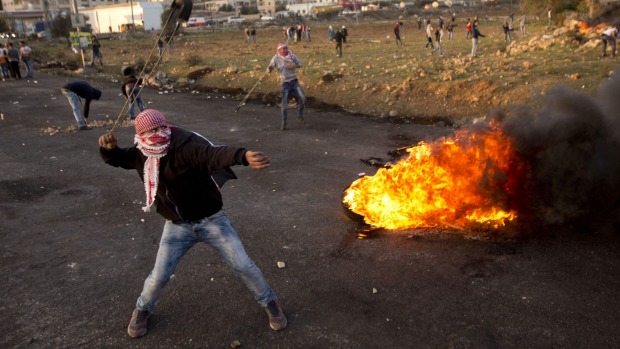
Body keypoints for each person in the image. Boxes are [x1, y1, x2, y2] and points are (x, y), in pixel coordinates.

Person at [97, 109, 287, 338]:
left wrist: (243, 156)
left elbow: (213, 154)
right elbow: (120, 159)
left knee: (243, 265)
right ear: (141, 135)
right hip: (177, 225)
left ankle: (270, 302)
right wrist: (108, 150)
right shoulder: (141, 153)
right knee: (159, 275)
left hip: (212, 220)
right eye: (150, 131)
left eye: (160, 128)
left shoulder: (184, 145)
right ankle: (142, 309)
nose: (157, 134)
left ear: (166, 126)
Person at [267, 43, 306, 131]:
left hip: (294, 81)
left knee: (303, 98)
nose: (285, 50)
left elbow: (301, 64)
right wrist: (269, 68)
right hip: (285, 83)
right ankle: (284, 123)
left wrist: (294, 65)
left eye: (286, 48)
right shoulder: (276, 58)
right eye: (283, 49)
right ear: (279, 50)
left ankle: (300, 115)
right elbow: (269, 68)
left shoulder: (291, 55)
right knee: (284, 105)